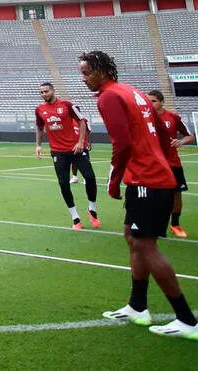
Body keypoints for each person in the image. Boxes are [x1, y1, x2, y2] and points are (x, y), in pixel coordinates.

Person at [79, 50, 197, 339]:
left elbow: (123, 143)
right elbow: (160, 134)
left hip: (147, 179)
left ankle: (187, 320)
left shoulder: (109, 96)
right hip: (151, 175)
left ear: (102, 71)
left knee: (146, 246)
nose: (83, 79)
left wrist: (114, 179)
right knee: (133, 239)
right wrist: (165, 161)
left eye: (86, 73)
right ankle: (137, 306)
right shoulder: (136, 92)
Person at [35, 82, 101, 230]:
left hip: (76, 149)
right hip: (58, 152)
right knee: (63, 183)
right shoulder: (39, 109)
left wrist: (80, 142)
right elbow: (40, 128)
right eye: (41, 92)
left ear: (53, 90)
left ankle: (92, 209)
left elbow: (82, 122)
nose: (44, 94)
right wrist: (38, 145)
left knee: (90, 177)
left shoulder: (67, 105)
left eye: (46, 91)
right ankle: (75, 217)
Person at [147, 90, 195, 238]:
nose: (150, 103)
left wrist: (180, 141)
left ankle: (175, 224)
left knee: (176, 195)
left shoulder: (173, 117)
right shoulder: (144, 118)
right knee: (153, 195)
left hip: (172, 163)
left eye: (154, 101)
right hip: (152, 164)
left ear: (162, 102)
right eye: (148, 101)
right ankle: (156, 225)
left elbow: (190, 136)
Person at [70, 111, 91, 184]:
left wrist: (88, 142)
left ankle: (86, 178)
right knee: (73, 163)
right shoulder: (69, 120)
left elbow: (87, 131)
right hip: (73, 145)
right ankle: (74, 177)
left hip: (83, 145)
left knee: (86, 162)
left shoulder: (84, 120)